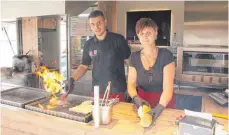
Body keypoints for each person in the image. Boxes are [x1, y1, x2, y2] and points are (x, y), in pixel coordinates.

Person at [62, 10, 131, 101]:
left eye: (99, 23)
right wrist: (72, 79)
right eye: (92, 24)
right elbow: (84, 66)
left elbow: (129, 62)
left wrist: (131, 86)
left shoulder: (118, 39)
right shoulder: (88, 44)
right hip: (97, 91)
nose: (96, 27)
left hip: (117, 90)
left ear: (105, 22)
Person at [127, 18, 176, 123]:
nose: (145, 36)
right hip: (143, 104)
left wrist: (160, 107)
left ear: (156, 33)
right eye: (141, 33)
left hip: (164, 103)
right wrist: (136, 98)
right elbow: (131, 84)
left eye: (148, 32)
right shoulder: (134, 57)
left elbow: (168, 88)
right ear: (138, 36)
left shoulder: (166, 55)